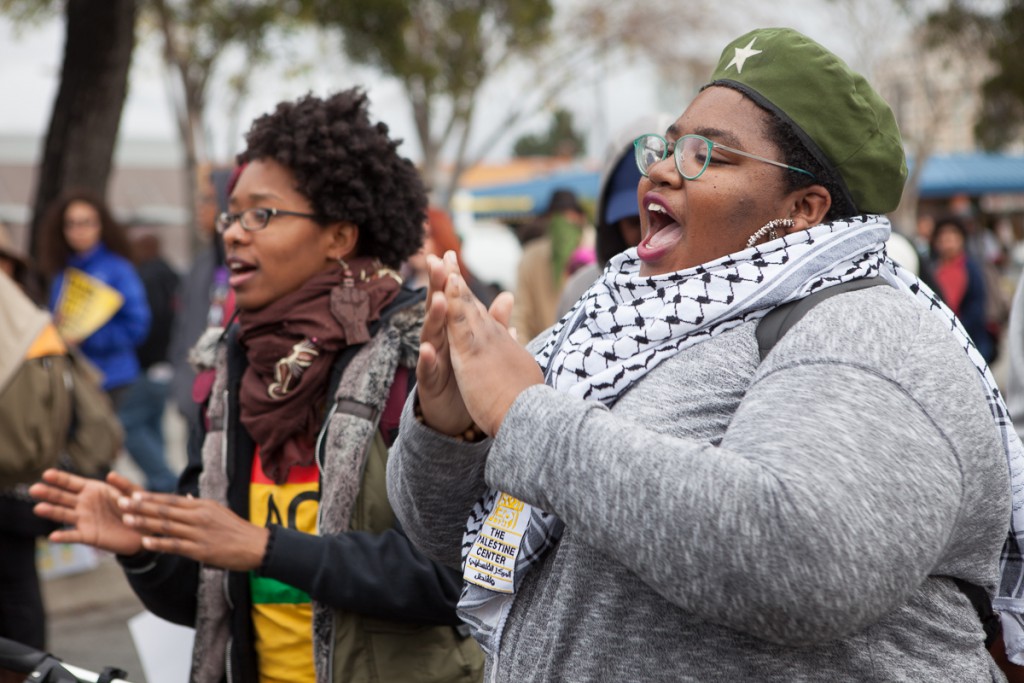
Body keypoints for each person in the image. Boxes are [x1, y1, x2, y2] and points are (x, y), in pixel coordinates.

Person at [386, 27, 1019, 681]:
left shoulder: (869, 330)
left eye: (707, 156)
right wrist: (451, 427)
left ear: (805, 207)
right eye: (666, 146)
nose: (660, 169)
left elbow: (799, 563)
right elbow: (451, 538)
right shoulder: (607, 323)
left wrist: (523, 413)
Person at [31, 90, 484, 683]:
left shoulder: (415, 357)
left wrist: (270, 548)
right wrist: (142, 549)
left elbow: (458, 577)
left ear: (340, 236)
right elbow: (211, 593)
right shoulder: (232, 366)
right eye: (232, 215)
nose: (234, 234)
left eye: (261, 215)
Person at [37, 191, 151, 403]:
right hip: (70, 377)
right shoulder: (61, 272)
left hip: (112, 379)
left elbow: (137, 326)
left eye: (85, 223)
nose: (78, 231)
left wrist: (89, 338)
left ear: (100, 226)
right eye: (71, 224)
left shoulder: (118, 270)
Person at [117, 232, 180, 492]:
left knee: (131, 425)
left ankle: (164, 481)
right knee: (153, 426)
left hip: (147, 366)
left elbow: (149, 325)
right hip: (166, 365)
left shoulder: (146, 278)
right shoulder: (172, 275)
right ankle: (160, 487)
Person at [556, 137, 644, 316]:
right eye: (634, 221)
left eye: (659, 216)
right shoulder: (581, 292)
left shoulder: (704, 293)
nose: (648, 231)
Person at [510, 188, 590, 342]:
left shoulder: (595, 253)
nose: (564, 229)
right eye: (558, 221)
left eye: (569, 221)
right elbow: (520, 315)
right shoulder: (531, 258)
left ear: (581, 219)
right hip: (542, 351)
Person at [930, 214, 997, 363]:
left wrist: (955, 331)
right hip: (942, 344)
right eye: (942, 237)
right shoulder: (933, 270)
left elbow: (977, 309)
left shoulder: (972, 269)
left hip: (972, 343)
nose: (947, 242)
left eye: (952, 236)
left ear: (961, 239)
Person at [405, 206, 499, 307]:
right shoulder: (401, 288)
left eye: (425, 236)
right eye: (412, 237)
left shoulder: (469, 287)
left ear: (441, 238)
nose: (417, 244)